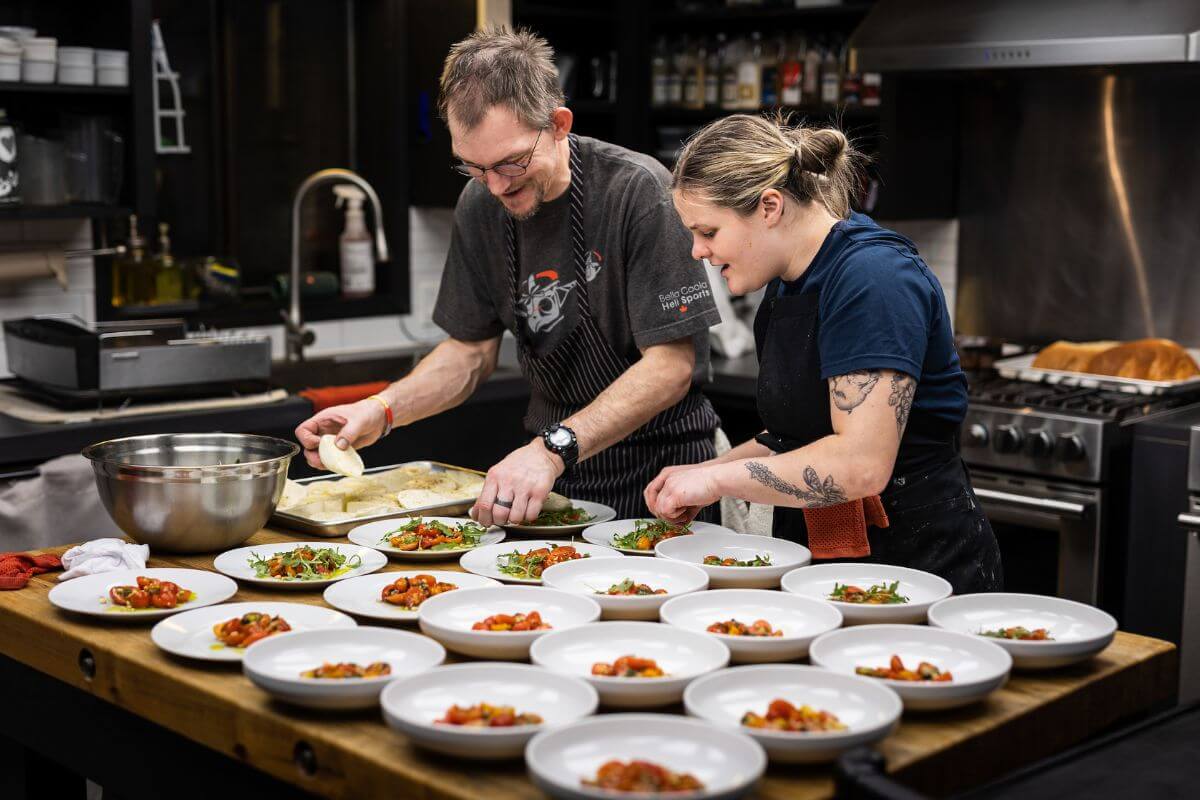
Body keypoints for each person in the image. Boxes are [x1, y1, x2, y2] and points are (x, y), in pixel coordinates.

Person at [295, 28, 722, 526]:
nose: (496, 186)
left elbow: (671, 365)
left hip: (665, 481)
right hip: (555, 481)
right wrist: (382, 408)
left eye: (511, 163)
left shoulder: (639, 192)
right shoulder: (479, 206)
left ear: (559, 125)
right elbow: (469, 353)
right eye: (474, 168)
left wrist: (551, 449)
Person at [644, 114, 1002, 593]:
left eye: (708, 231)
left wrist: (716, 484)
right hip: (826, 564)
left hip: (916, 565)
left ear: (769, 206)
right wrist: (703, 471)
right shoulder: (786, 283)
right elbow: (795, 436)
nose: (697, 251)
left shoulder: (874, 279)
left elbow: (860, 464)